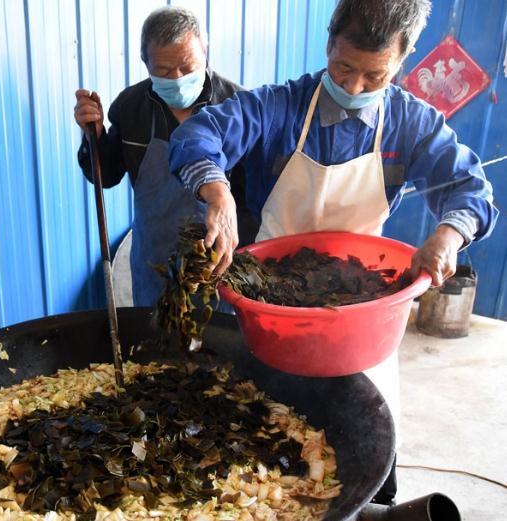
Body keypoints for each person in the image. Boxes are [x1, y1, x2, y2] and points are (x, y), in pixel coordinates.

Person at [169, 0, 498, 504]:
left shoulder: (411, 124)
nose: (354, 87)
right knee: (271, 452)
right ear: (328, 45)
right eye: (344, 68)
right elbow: (199, 134)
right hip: (275, 311)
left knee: (368, 452)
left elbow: (469, 189)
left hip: (364, 317)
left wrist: (448, 235)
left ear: (402, 59)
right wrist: (217, 191)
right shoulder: (278, 108)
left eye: (374, 75)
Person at [73, 6, 258, 307]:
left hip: (221, 266)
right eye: (163, 71)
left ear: (205, 49)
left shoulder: (236, 106)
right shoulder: (131, 108)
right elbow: (105, 176)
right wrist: (93, 136)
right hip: (154, 265)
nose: (178, 78)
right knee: (155, 347)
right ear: (145, 63)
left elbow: (256, 196)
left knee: (222, 345)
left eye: (187, 66)